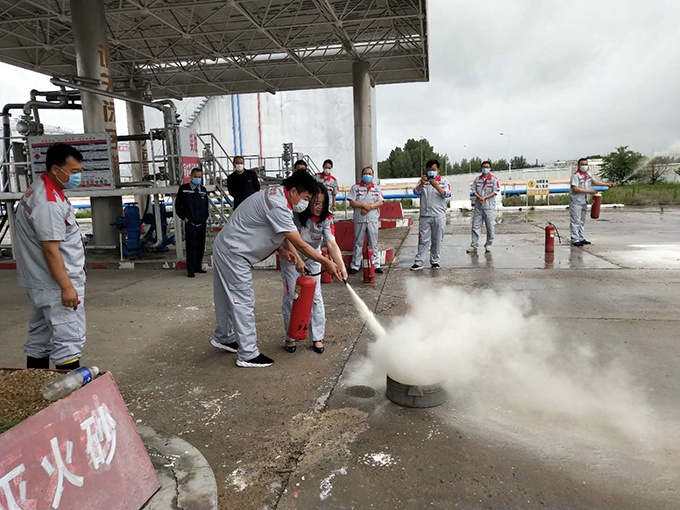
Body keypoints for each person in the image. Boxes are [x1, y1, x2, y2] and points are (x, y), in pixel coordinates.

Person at [211, 171, 343, 368]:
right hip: (234, 253)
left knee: (223, 296)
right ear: (293, 192)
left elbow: (262, 227)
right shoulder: (279, 205)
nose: (307, 203)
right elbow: (300, 244)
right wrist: (327, 263)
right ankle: (248, 354)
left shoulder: (278, 196)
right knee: (243, 300)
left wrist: (280, 250)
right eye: (307, 198)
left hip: (226, 246)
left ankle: (223, 337)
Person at [14, 143, 86, 370]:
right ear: (56, 170)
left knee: (40, 339)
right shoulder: (48, 202)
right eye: (73, 171)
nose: (78, 176)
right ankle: (69, 389)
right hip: (56, 283)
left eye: (79, 171)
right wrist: (67, 287)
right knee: (68, 340)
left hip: (43, 282)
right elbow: (50, 249)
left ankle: (35, 386)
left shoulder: (41, 189)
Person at [280, 187, 347, 354]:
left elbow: (331, 243)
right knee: (292, 295)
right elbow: (288, 239)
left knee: (315, 297)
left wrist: (341, 265)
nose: (319, 207)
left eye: (323, 204)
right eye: (316, 202)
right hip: (292, 255)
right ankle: (291, 335)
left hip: (314, 257)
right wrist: (298, 260)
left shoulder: (326, 218)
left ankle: (317, 337)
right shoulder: (295, 214)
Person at [410, 160, 451, 270]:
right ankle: (419, 262)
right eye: (429, 170)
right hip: (425, 215)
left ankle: (435, 261)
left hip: (438, 215)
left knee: (437, 239)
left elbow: (447, 194)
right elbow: (415, 192)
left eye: (433, 169)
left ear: (438, 170)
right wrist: (422, 183)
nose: (431, 172)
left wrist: (437, 186)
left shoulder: (443, 181)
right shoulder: (423, 181)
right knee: (423, 240)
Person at [570, 158, 616, 246]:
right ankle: (575, 239)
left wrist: (607, 184)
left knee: (582, 220)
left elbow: (595, 182)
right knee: (575, 220)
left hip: (584, 200)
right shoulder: (576, 176)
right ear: (578, 165)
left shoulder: (588, 174)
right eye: (582, 164)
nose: (584, 166)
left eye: (586, 164)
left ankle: (581, 237)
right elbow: (575, 188)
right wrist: (589, 191)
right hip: (576, 201)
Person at [347, 166, 384, 274]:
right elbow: (352, 202)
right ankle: (355, 265)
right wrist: (364, 205)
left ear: (373, 176)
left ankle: (376, 265)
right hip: (360, 219)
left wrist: (369, 207)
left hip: (372, 219)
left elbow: (380, 202)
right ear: (362, 175)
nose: (367, 176)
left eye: (369, 174)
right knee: (358, 243)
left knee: (373, 243)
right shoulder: (356, 188)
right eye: (365, 174)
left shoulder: (376, 188)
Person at [174, 167, 209, 277]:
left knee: (201, 245)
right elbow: (178, 205)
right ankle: (191, 269)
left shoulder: (203, 190)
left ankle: (198, 266)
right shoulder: (184, 189)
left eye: (200, 177)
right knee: (191, 246)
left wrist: (205, 217)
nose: (198, 179)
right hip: (190, 223)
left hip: (201, 222)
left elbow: (206, 206)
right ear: (191, 177)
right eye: (196, 177)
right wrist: (184, 218)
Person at [467, 161, 500, 254]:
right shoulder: (477, 179)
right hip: (478, 206)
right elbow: (473, 190)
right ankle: (474, 245)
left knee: (490, 227)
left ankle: (488, 244)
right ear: (481, 168)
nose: (486, 169)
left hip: (489, 207)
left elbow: (495, 191)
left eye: (487, 167)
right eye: (484, 167)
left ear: (490, 168)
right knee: (475, 226)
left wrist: (484, 198)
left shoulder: (493, 179)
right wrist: (479, 197)